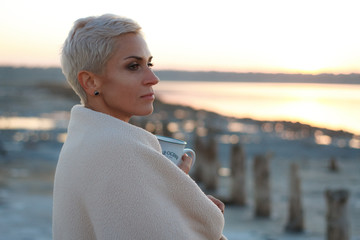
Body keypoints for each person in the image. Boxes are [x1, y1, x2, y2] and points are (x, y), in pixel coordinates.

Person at [52, 14, 227, 240]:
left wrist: (169, 190)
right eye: (133, 66)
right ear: (91, 82)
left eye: (149, 63)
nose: (153, 78)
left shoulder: (82, 141)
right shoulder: (119, 149)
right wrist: (202, 214)